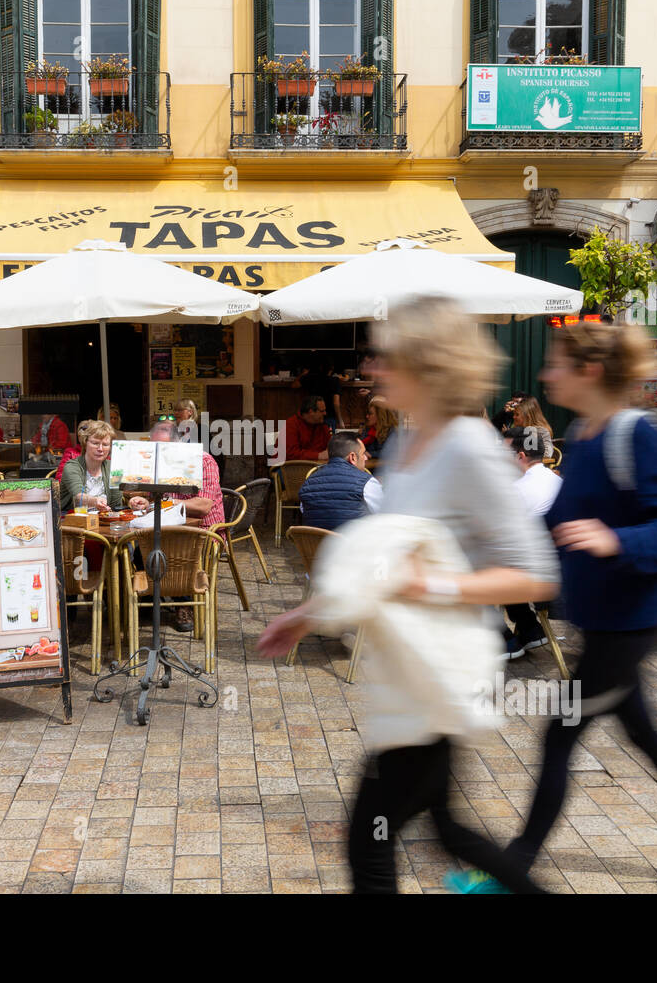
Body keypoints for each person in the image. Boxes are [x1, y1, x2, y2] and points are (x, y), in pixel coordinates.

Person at [258, 300, 557, 895]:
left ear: (426, 365)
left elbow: (534, 574)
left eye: (387, 356)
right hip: (410, 673)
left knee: (368, 841)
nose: (372, 366)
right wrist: (306, 615)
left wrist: (431, 585)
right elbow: (380, 564)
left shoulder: (470, 446)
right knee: (446, 830)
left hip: (440, 673)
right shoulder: (405, 446)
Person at [449, 322, 657, 895]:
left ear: (589, 372)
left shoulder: (633, 434)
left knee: (560, 735)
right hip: (607, 621)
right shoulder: (587, 434)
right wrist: (483, 550)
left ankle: (514, 870)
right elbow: (559, 522)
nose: (545, 374)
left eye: (557, 363)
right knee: (645, 733)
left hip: (630, 619)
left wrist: (615, 540)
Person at [146, 421, 224, 633]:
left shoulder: (203, 461)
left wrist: (166, 504)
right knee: (135, 547)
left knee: (176, 549)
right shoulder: (157, 464)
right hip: (167, 530)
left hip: (203, 533)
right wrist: (141, 500)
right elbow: (152, 498)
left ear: (178, 443)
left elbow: (203, 506)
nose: (158, 453)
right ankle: (144, 600)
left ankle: (185, 603)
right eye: (155, 448)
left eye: (163, 448)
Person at [499, 425, 563, 658]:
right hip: (561, 568)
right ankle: (529, 629)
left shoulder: (518, 489)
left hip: (543, 578)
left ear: (521, 456)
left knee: (479, 563)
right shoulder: (557, 481)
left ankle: (503, 638)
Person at [298, 431, 383, 531]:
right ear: (352, 457)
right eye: (363, 453)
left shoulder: (308, 483)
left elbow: (305, 512)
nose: (365, 458)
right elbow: (383, 514)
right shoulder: (367, 483)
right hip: (353, 545)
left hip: (313, 545)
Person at [60, 420, 142, 513]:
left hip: (104, 520)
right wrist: (95, 501)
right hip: (72, 520)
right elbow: (79, 497)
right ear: (85, 443)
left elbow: (116, 504)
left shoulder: (115, 468)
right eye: (95, 443)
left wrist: (132, 502)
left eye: (105, 444)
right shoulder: (72, 466)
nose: (100, 449)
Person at [282, 395, 332, 462]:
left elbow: (331, 446)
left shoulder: (322, 425)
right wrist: (319, 455)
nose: (325, 413)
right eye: (322, 411)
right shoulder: (291, 425)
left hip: (313, 465)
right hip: (287, 466)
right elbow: (290, 454)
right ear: (311, 412)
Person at [296, 360, 342, 431]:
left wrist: (303, 374)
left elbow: (294, 385)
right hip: (329, 416)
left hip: (313, 415)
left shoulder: (310, 378)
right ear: (332, 369)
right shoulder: (335, 380)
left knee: (313, 439)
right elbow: (336, 403)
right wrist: (340, 420)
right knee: (328, 440)